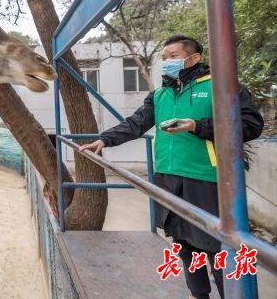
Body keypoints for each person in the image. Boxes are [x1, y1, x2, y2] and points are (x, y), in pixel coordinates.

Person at [79, 35, 264, 299]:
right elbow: (136, 123)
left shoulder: (220, 86)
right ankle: (198, 294)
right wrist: (104, 139)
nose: (167, 62)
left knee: (216, 247)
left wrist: (197, 126)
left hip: (207, 178)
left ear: (194, 58)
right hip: (167, 178)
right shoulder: (160, 95)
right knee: (185, 243)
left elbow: (251, 125)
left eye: (173, 56)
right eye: (164, 58)